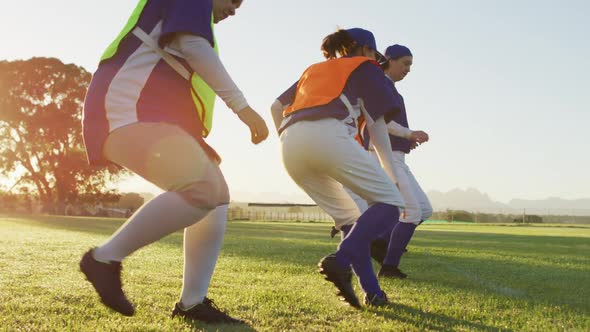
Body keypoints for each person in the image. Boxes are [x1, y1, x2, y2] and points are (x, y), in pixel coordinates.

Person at [79, 0, 268, 324]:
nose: (235, 9)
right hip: (125, 108)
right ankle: (104, 259)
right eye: (234, 0)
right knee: (204, 188)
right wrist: (243, 107)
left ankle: (191, 303)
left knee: (216, 194)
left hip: (150, 115)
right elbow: (191, 45)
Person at [271, 28, 404, 307]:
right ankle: (340, 260)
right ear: (368, 50)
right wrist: (392, 177)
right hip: (328, 135)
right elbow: (377, 127)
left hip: (289, 142)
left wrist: (289, 139)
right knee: (390, 204)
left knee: (351, 221)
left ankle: (374, 294)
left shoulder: (316, 69)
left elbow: (276, 106)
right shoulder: (366, 68)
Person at [344, 44, 432, 278]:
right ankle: (388, 264)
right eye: (405, 63)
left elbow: (390, 126)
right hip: (383, 157)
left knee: (423, 209)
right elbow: (379, 122)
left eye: (410, 65)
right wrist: (408, 133)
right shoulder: (380, 84)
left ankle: (378, 242)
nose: (408, 69)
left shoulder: (392, 90)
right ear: (389, 60)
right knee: (412, 211)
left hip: (397, 156)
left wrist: (406, 140)